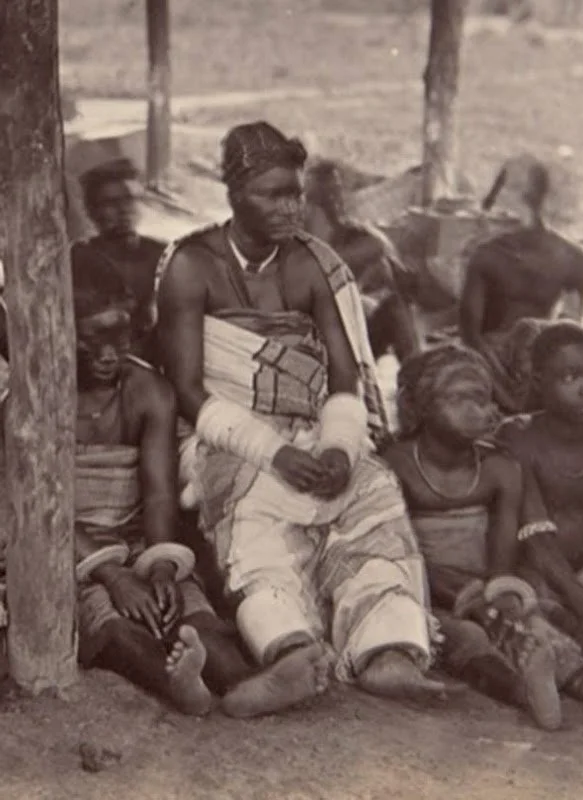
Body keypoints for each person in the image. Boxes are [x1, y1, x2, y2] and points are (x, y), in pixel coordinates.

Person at [156, 120, 449, 707]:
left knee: (372, 497)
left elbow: (343, 377)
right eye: (272, 194)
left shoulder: (312, 263)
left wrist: (339, 447)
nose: (291, 206)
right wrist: (275, 451)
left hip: (314, 427)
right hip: (230, 435)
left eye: (294, 191)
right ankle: (291, 655)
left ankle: (388, 653)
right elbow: (188, 389)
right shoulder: (193, 265)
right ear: (234, 194)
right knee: (254, 515)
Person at [71, 249, 333, 718]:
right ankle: (178, 685)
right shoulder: (28, 403)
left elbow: (157, 493)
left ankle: (244, 683)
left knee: (190, 611)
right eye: (93, 338)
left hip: (132, 543)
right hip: (68, 550)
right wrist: (112, 577)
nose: (112, 352)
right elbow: (33, 511)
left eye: (121, 332)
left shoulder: (147, 391)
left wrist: (159, 567)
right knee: (111, 626)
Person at [382, 343, 583, 730]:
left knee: (529, 622)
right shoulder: (395, 463)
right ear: (424, 406)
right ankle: (522, 690)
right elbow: (397, 550)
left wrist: (497, 593)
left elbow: (501, 560)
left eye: (485, 398)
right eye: (464, 398)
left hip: (484, 585)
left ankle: (580, 681)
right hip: (424, 586)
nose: (483, 410)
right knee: (464, 637)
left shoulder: (500, 467)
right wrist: (462, 597)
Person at [459, 156, 583, 413]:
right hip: (491, 363)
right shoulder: (487, 255)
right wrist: (508, 395)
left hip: (542, 361)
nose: (493, 200)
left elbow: (571, 335)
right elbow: (471, 338)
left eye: (501, 191)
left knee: (533, 332)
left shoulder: (575, 258)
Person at [497, 323, 583, 665]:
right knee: (534, 613)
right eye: (571, 376)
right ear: (538, 381)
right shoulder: (519, 437)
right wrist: (582, 602)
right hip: (543, 574)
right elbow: (535, 537)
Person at [303, 157, 419, 362]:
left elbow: (378, 247)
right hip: (311, 346)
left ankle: (419, 380)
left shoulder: (356, 237)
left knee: (395, 309)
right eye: (329, 193)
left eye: (337, 191)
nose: (337, 199)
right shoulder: (289, 244)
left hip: (354, 340)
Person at [72, 158, 165, 363]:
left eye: (130, 199)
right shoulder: (78, 259)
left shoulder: (162, 254)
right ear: (91, 210)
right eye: (111, 203)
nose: (124, 210)